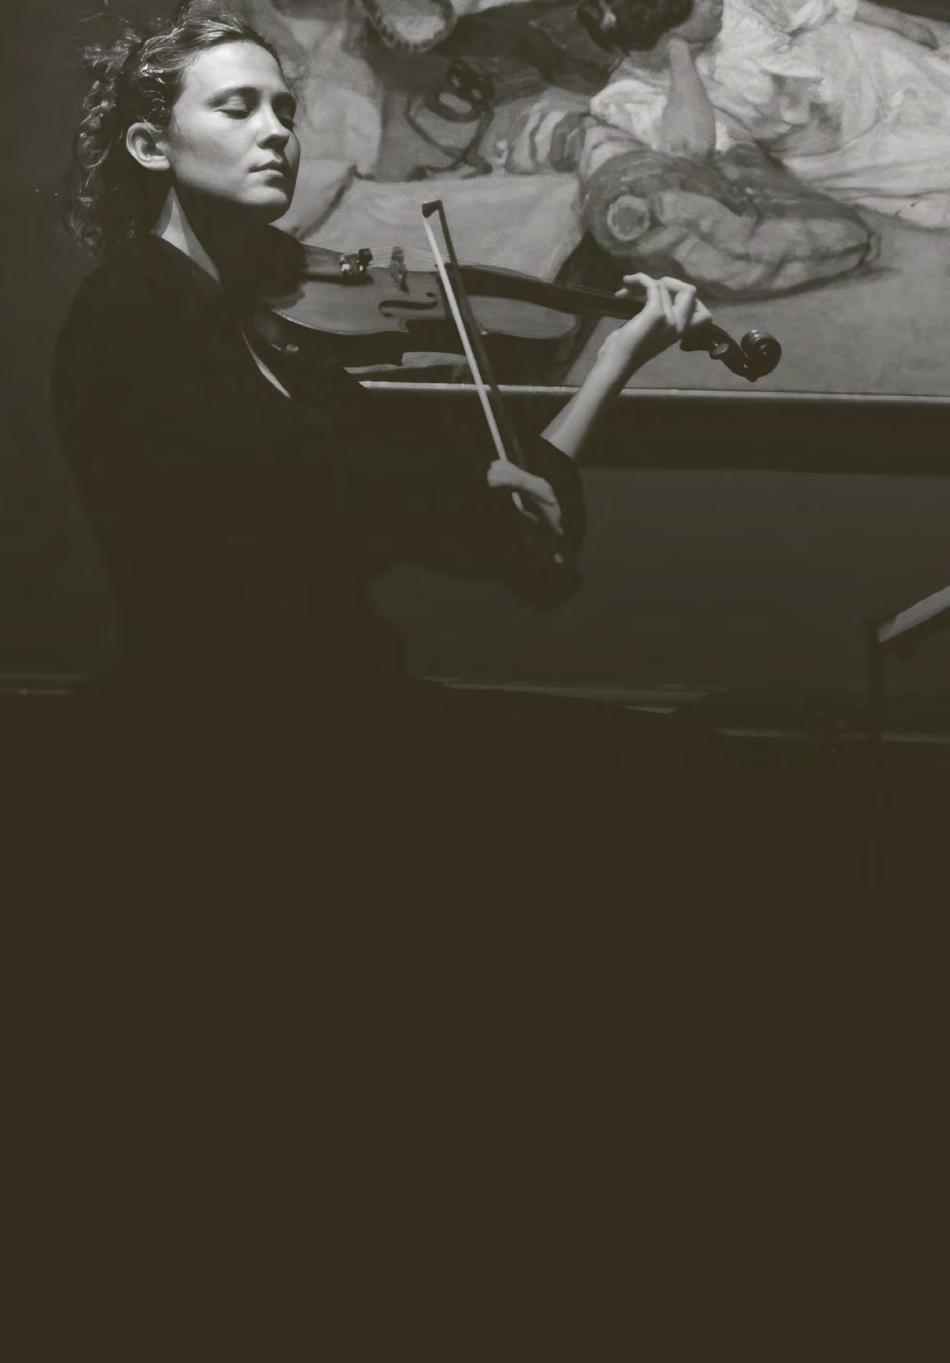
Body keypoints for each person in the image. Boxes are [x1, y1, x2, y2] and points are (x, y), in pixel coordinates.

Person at [53, 7, 711, 857]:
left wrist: (613, 361)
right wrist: (465, 497)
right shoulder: (133, 318)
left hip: (336, 711)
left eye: (285, 110)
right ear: (151, 145)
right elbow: (326, 499)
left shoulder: (262, 330)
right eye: (237, 108)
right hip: (231, 744)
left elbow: (505, 520)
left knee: (675, 757)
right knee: (661, 777)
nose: (277, 133)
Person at [584, 0, 950, 229]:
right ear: (664, 30)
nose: (714, 2)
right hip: (834, 150)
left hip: (867, 70)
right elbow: (693, 146)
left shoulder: (732, 9)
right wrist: (680, 54)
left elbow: (824, 4)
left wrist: (900, 23)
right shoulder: (631, 94)